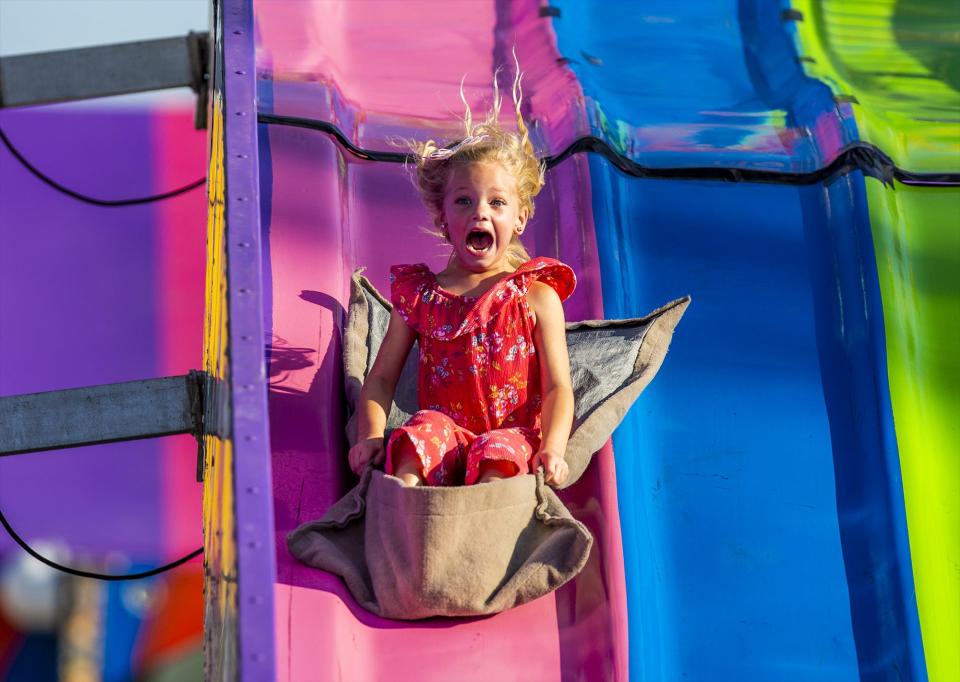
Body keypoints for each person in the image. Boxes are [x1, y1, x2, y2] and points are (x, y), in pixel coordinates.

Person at [348, 71, 574, 487]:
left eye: (497, 202)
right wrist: (370, 435)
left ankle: (480, 527)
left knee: (496, 460)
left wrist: (554, 448)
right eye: (464, 201)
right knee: (417, 438)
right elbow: (380, 378)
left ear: (520, 217)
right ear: (442, 218)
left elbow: (560, 385)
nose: (480, 212)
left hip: (511, 436)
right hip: (445, 433)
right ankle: (409, 516)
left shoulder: (535, 295)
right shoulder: (421, 296)